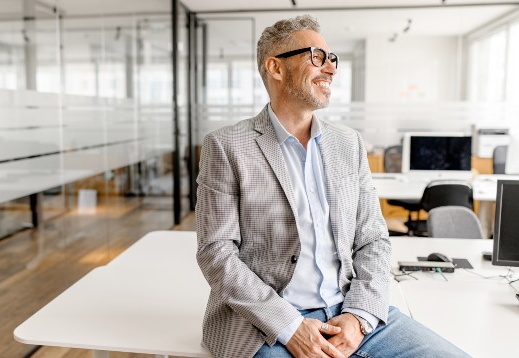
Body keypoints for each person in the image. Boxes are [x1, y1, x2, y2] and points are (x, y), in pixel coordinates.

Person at [195, 15, 470, 358]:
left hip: (348, 308)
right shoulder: (226, 146)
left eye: (333, 60)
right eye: (317, 57)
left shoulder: (348, 143)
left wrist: (358, 315)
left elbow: (373, 238)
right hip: (266, 323)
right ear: (276, 68)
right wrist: (290, 326)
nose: (331, 69)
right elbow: (216, 253)